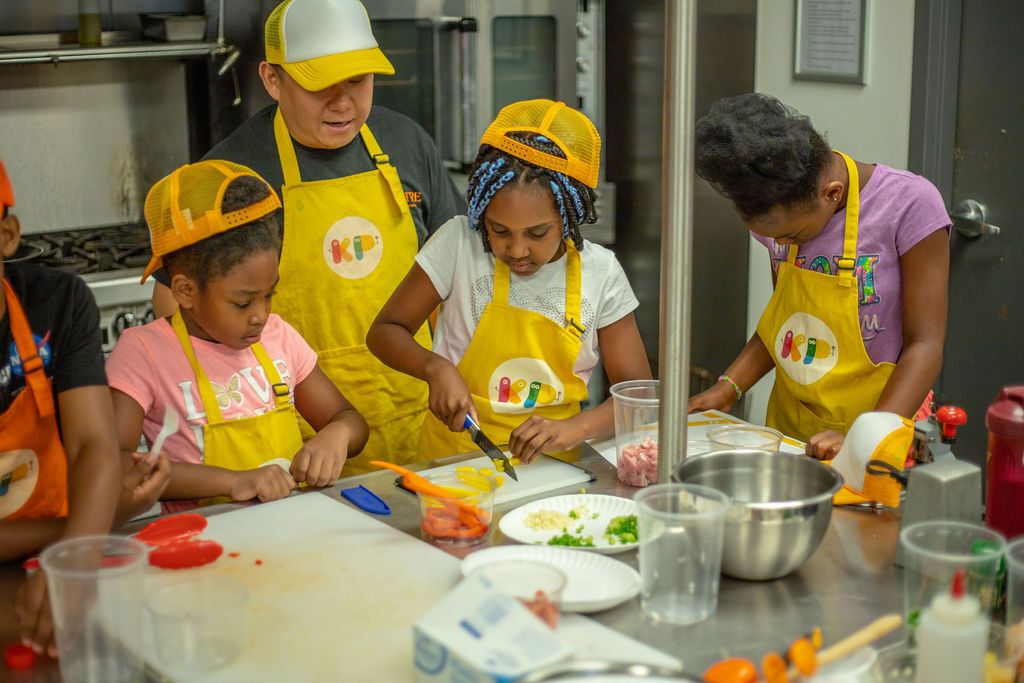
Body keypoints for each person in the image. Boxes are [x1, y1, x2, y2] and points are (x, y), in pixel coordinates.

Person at [150, 0, 464, 471]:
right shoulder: (229, 175)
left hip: (419, 417)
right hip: (295, 440)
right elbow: (175, 307)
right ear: (272, 79)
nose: (343, 103)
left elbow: (460, 272)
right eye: (320, 85)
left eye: (357, 81)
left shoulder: (408, 143)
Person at [368, 100, 652, 463]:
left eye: (537, 233)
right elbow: (385, 330)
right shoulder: (458, 244)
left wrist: (576, 428)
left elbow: (639, 396)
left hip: (555, 467)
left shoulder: (601, 272)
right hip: (455, 462)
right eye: (499, 230)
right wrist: (434, 367)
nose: (517, 250)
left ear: (569, 216)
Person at [688, 93, 950, 460]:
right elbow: (788, 322)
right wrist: (730, 385)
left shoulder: (909, 205)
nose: (781, 243)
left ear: (832, 194)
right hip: (794, 432)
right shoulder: (779, 220)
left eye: (792, 236)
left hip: (883, 428)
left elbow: (925, 344)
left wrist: (867, 437)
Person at [108, 161, 368, 509]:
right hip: (202, 545)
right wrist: (233, 481)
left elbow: (350, 421)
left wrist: (338, 435)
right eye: (242, 302)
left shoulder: (280, 338)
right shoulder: (144, 352)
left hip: (292, 535)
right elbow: (116, 467)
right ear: (185, 291)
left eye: (269, 295)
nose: (261, 316)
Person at [0, 160, 169, 657]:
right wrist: (81, 538)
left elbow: (94, 444)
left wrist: (75, 556)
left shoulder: (56, 303)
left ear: (7, 234)